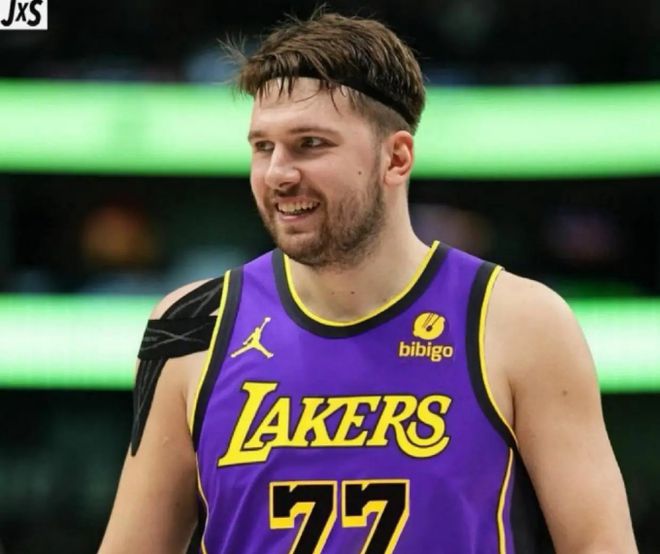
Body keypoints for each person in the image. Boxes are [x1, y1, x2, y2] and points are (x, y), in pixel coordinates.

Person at [99, 12, 638, 554]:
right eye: (263, 147)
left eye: (310, 143)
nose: (279, 173)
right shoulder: (192, 322)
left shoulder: (520, 320)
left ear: (396, 158)